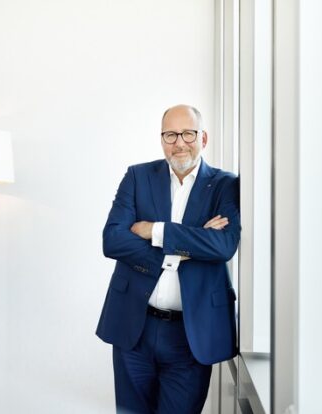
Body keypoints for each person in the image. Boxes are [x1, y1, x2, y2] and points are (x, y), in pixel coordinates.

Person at [96, 104, 241, 414]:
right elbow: (113, 240)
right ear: (162, 139)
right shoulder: (137, 177)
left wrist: (155, 231)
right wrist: (187, 246)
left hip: (191, 334)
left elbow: (224, 245)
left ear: (203, 138)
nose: (179, 143)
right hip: (134, 327)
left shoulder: (226, 185)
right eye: (170, 135)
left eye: (188, 134)